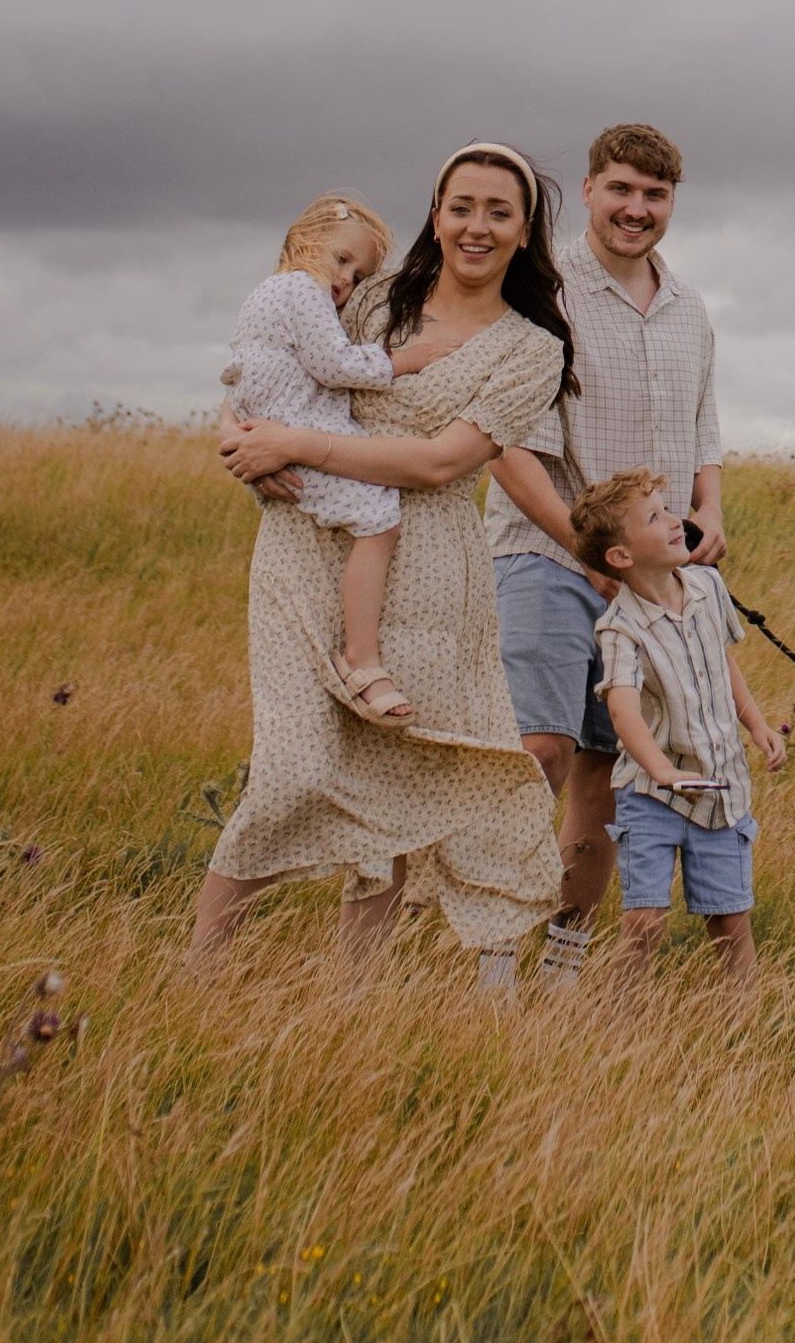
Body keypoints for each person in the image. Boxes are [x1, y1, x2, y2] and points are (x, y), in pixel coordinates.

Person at [189, 143, 575, 988]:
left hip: (432, 570)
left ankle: (352, 998)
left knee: (395, 788)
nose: (476, 225)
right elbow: (269, 356)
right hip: (307, 548)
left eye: (497, 211)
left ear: (525, 232)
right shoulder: (367, 302)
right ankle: (196, 978)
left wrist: (295, 441)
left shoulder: (531, 350)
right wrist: (237, 429)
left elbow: (440, 464)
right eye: (460, 205)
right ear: (436, 213)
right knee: (292, 771)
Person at [482, 121, 723, 974]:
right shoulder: (543, 293)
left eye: (654, 196)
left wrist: (708, 511)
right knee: (540, 751)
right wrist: (588, 551)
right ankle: (493, 952)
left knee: (608, 774)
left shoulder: (690, 308)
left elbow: (704, 427)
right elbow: (509, 447)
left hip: (650, 580)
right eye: (620, 189)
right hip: (544, 558)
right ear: (587, 192)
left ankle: (565, 950)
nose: (637, 209)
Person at [576, 465, 782, 990]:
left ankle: (741, 1028)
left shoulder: (708, 587)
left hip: (722, 789)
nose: (675, 521)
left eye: (668, 510)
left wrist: (757, 726)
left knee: (730, 923)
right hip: (652, 795)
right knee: (643, 923)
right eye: (655, 517)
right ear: (621, 557)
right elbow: (622, 708)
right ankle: (613, 1029)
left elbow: (723, 662)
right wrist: (663, 770)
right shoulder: (618, 628)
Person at [222, 195, 411, 719]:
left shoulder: (263, 295)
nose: (345, 281)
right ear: (304, 241)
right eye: (342, 260)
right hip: (302, 434)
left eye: (358, 276)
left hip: (276, 430)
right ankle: (362, 659)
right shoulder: (303, 289)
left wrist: (230, 430)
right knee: (380, 520)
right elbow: (333, 365)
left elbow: (238, 378)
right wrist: (401, 361)